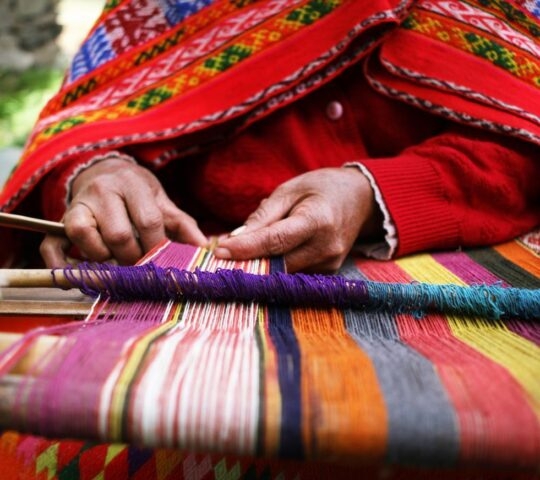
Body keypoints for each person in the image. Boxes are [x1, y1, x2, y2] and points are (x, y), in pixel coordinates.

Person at [1, 0, 539, 272]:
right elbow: (84, 123)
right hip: (179, 284)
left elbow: (526, 138)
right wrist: (101, 173)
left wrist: (375, 195)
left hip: (440, 284)